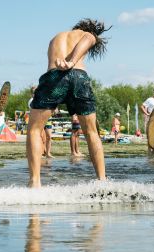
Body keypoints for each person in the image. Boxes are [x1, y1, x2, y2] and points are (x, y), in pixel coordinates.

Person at [27, 18, 111, 188]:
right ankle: (102, 180)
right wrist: (72, 61)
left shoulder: (56, 37)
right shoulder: (86, 34)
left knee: (34, 130)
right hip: (79, 77)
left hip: (53, 77)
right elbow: (89, 39)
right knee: (91, 132)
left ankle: (35, 181)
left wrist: (65, 63)